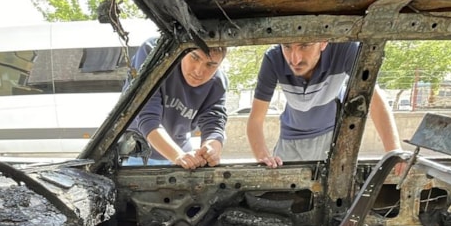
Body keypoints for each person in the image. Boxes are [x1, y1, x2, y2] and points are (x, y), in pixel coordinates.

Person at [247, 42, 401, 168]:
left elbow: (374, 100)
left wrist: (394, 153)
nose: (295, 59)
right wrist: (263, 156)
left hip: (332, 136)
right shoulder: (273, 58)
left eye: (304, 46)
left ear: (323, 42)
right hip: (289, 139)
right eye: (287, 46)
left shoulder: (346, 49)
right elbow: (255, 119)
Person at [124, 37, 228, 170]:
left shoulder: (218, 82)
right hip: (136, 153)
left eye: (211, 65)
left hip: (181, 152)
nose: (198, 71)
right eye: (194, 57)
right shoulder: (155, 52)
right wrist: (177, 156)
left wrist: (211, 150)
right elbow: (147, 116)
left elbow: (214, 123)